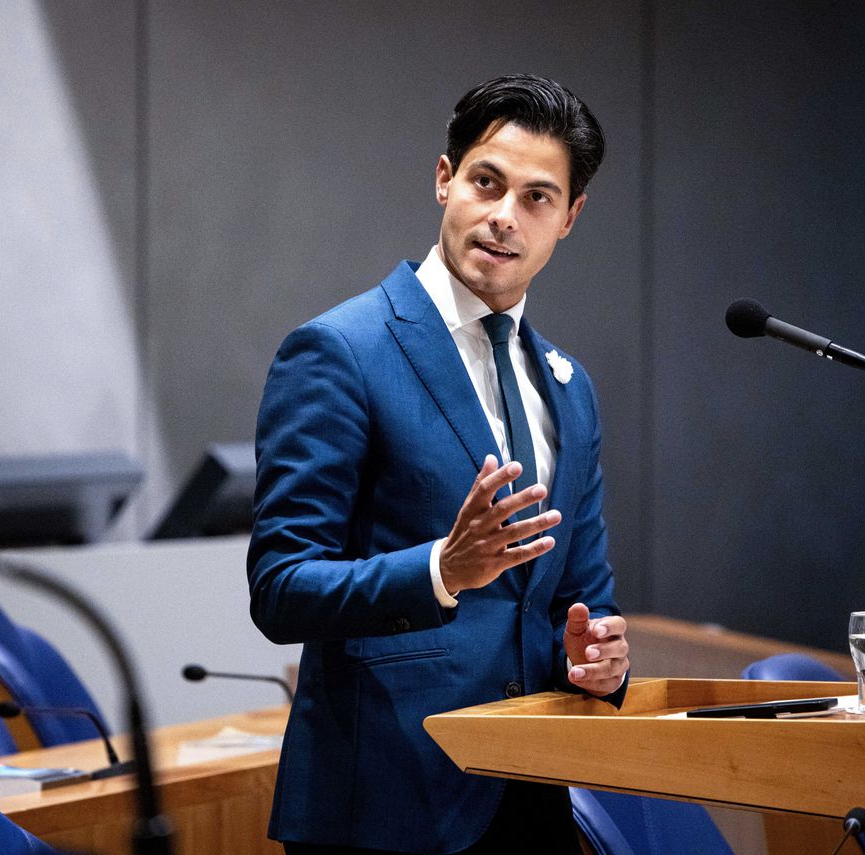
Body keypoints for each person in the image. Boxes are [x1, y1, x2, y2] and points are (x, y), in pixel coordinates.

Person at [248, 74, 631, 854]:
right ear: (444, 178)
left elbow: (579, 601)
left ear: (570, 218)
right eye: (486, 182)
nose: (504, 216)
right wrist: (442, 570)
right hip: (383, 804)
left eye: (537, 198)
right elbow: (280, 588)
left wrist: (601, 661)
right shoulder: (340, 352)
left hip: (533, 798)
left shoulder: (569, 386)